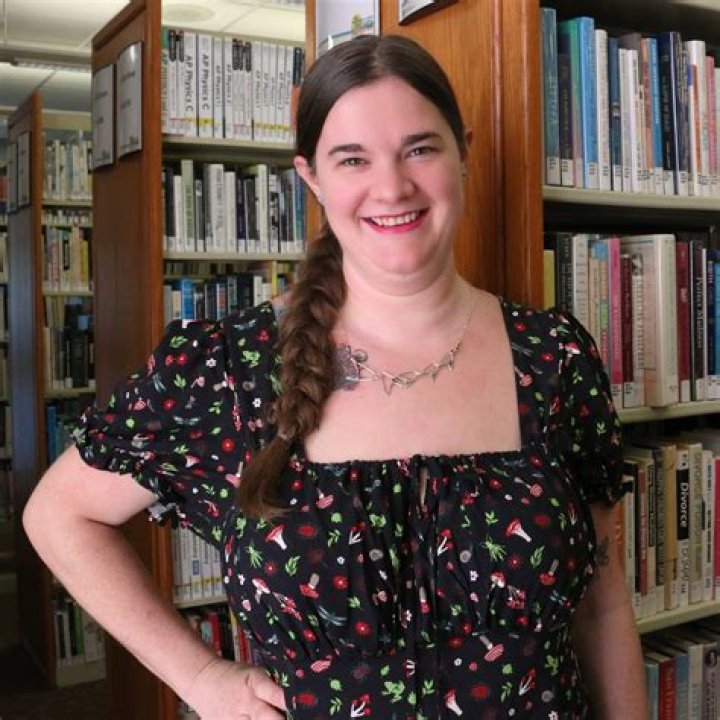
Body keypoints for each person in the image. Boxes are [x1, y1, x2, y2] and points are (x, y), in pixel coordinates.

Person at [23, 34, 646, 719]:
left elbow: (602, 602)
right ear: (312, 178)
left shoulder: (553, 357)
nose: (393, 187)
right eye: (353, 159)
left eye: (420, 149)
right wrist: (198, 676)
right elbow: (59, 514)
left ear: (464, 152)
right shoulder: (228, 369)